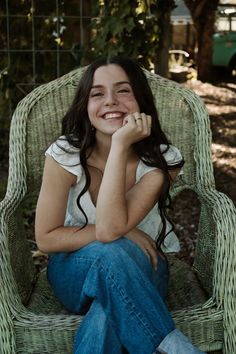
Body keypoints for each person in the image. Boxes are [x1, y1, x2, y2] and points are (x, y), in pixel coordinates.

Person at [35, 56, 205, 354]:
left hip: (145, 268)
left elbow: (110, 228)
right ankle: (173, 348)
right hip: (73, 270)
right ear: (86, 108)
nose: (111, 101)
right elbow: (47, 238)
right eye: (97, 93)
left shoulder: (162, 160)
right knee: (110, 251)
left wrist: (120, 145)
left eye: (123, 91)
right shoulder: (64, 154)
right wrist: (126, 233)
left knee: (105, 312)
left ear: (140, 100)